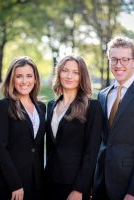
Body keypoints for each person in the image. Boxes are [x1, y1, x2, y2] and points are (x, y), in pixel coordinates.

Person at [92, 37, 134, 200]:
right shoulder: (103, 94)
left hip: (129, 185)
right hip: (101, 182)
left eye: (125, 59)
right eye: (114, 59)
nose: (119, 64)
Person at [44, 55, 104, 200]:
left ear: (82, 76)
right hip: (49, 181)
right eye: (65, 70)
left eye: (76, 72)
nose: (69, 76)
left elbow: (92, 152)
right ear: (59, 73)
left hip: (74, 184)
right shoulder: (51, 105)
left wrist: (80, 189)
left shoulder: (92, 107)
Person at [0, 56, 46, 200]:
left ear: (35, 79)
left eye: (29, 76)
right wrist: (15, 184)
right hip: (11, 184)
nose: (24, 81)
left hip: (36, 183)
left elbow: (38, 148)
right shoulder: (3, 106)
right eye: (19, 76)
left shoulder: (41, 107)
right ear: (12, 79)